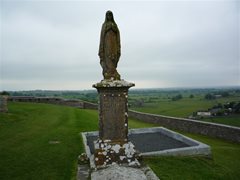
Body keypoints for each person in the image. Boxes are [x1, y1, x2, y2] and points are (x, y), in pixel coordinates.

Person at [98, 10, 121, 80]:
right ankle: (108, 71)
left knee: (114, 56)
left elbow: (118, 34)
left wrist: (113, 28)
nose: (109, 16)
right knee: (107, 56)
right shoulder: (104, 25)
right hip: (107, 45)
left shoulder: (115, 25)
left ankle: (113, 71)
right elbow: (102, 36)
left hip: (114, 44)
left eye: (110, 15)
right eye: (108, 15)